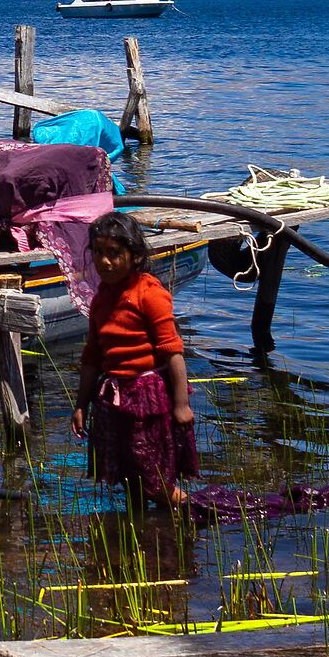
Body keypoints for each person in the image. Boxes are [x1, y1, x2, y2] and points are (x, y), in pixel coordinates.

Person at [67, 212, 194, 510]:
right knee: (127, 476)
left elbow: (172, 350)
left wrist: (181, 405)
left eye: (114, 254)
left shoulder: (149, 294)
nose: (105, 262)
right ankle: (145, 537)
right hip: (114, 398)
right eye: (98, 253)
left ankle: (195, 511)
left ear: (135, 257)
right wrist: (81, 405)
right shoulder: (101, 299)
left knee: (154, 480)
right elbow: (92, 357)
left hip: (148, 397)